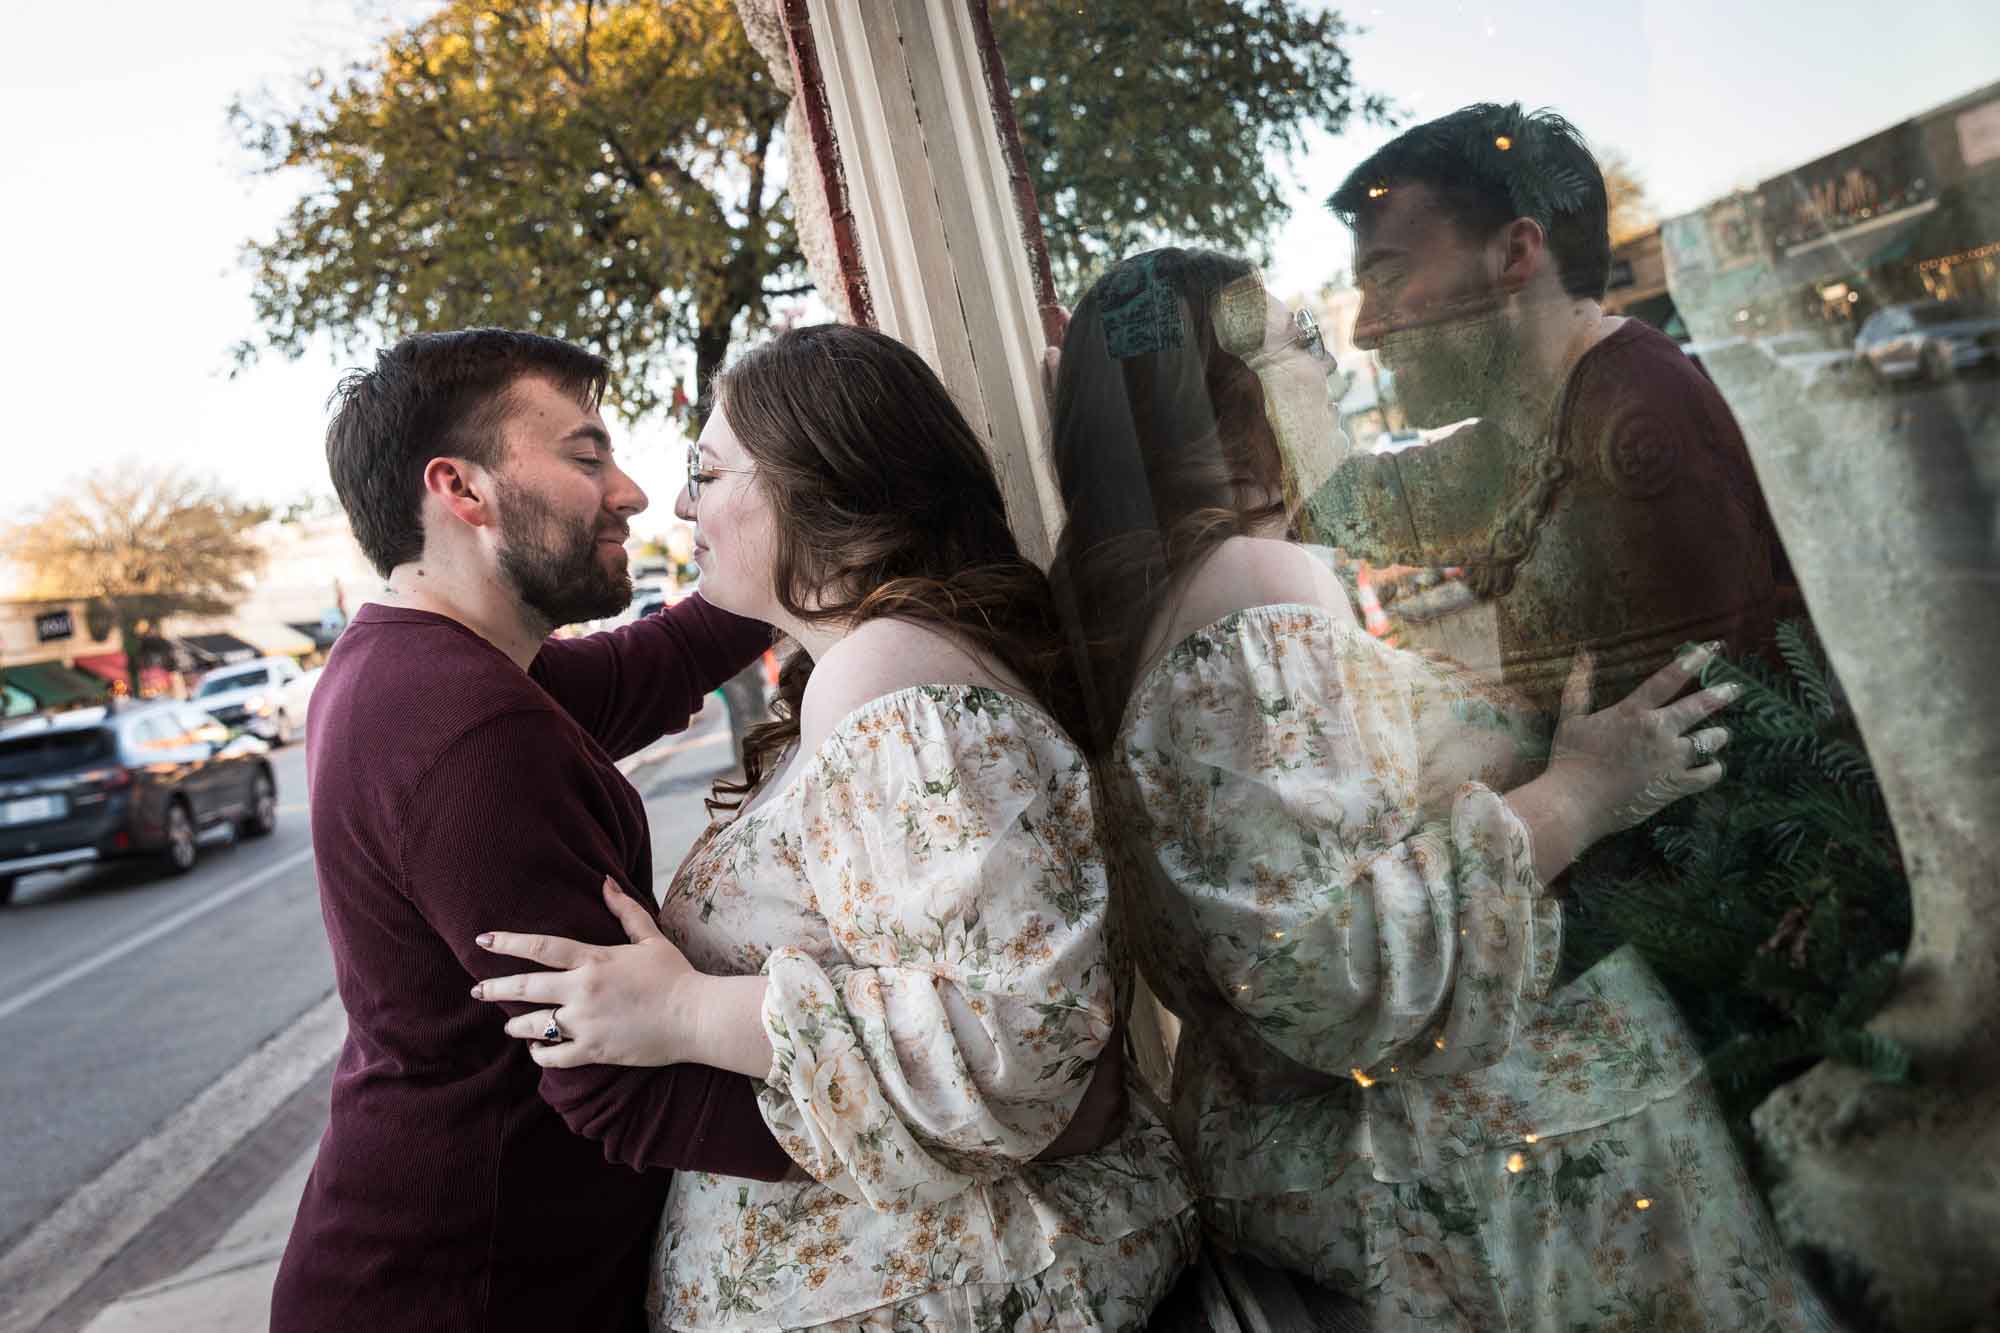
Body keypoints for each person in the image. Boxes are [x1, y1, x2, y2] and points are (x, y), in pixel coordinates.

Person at [1044, 247, 1837, 1330]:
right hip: (1461, 1169)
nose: (1332, 361)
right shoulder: (1251, 587)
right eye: (1300, 342)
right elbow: (1323, 963)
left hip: (1327, 1153)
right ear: (1225, 406)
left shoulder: (1161, 598)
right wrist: (1581, 792)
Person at [470, 323, 1197, 1331]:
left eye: (705, 471)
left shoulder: (884, 672)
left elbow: (1012, 1043)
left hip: (967, 1284)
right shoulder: (865, 666)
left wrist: (686, 1011)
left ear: (812, 483)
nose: (678, 503)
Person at [273, 329, 797, 1333]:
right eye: (586, 457)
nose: (632, 493)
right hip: (463, 1291)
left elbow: (651, 664)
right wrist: (940, 1136)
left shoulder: (419, 658)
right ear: (461, 490)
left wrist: (807, 529)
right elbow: (617, 1084)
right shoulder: (465, 724)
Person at [1315, 103, 1783, 710]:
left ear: (1516, 255)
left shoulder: (1634, 429)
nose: (1365, 330)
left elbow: (1706, 728)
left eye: (1389, 279)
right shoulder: (1547, 416)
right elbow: (1363, 504)